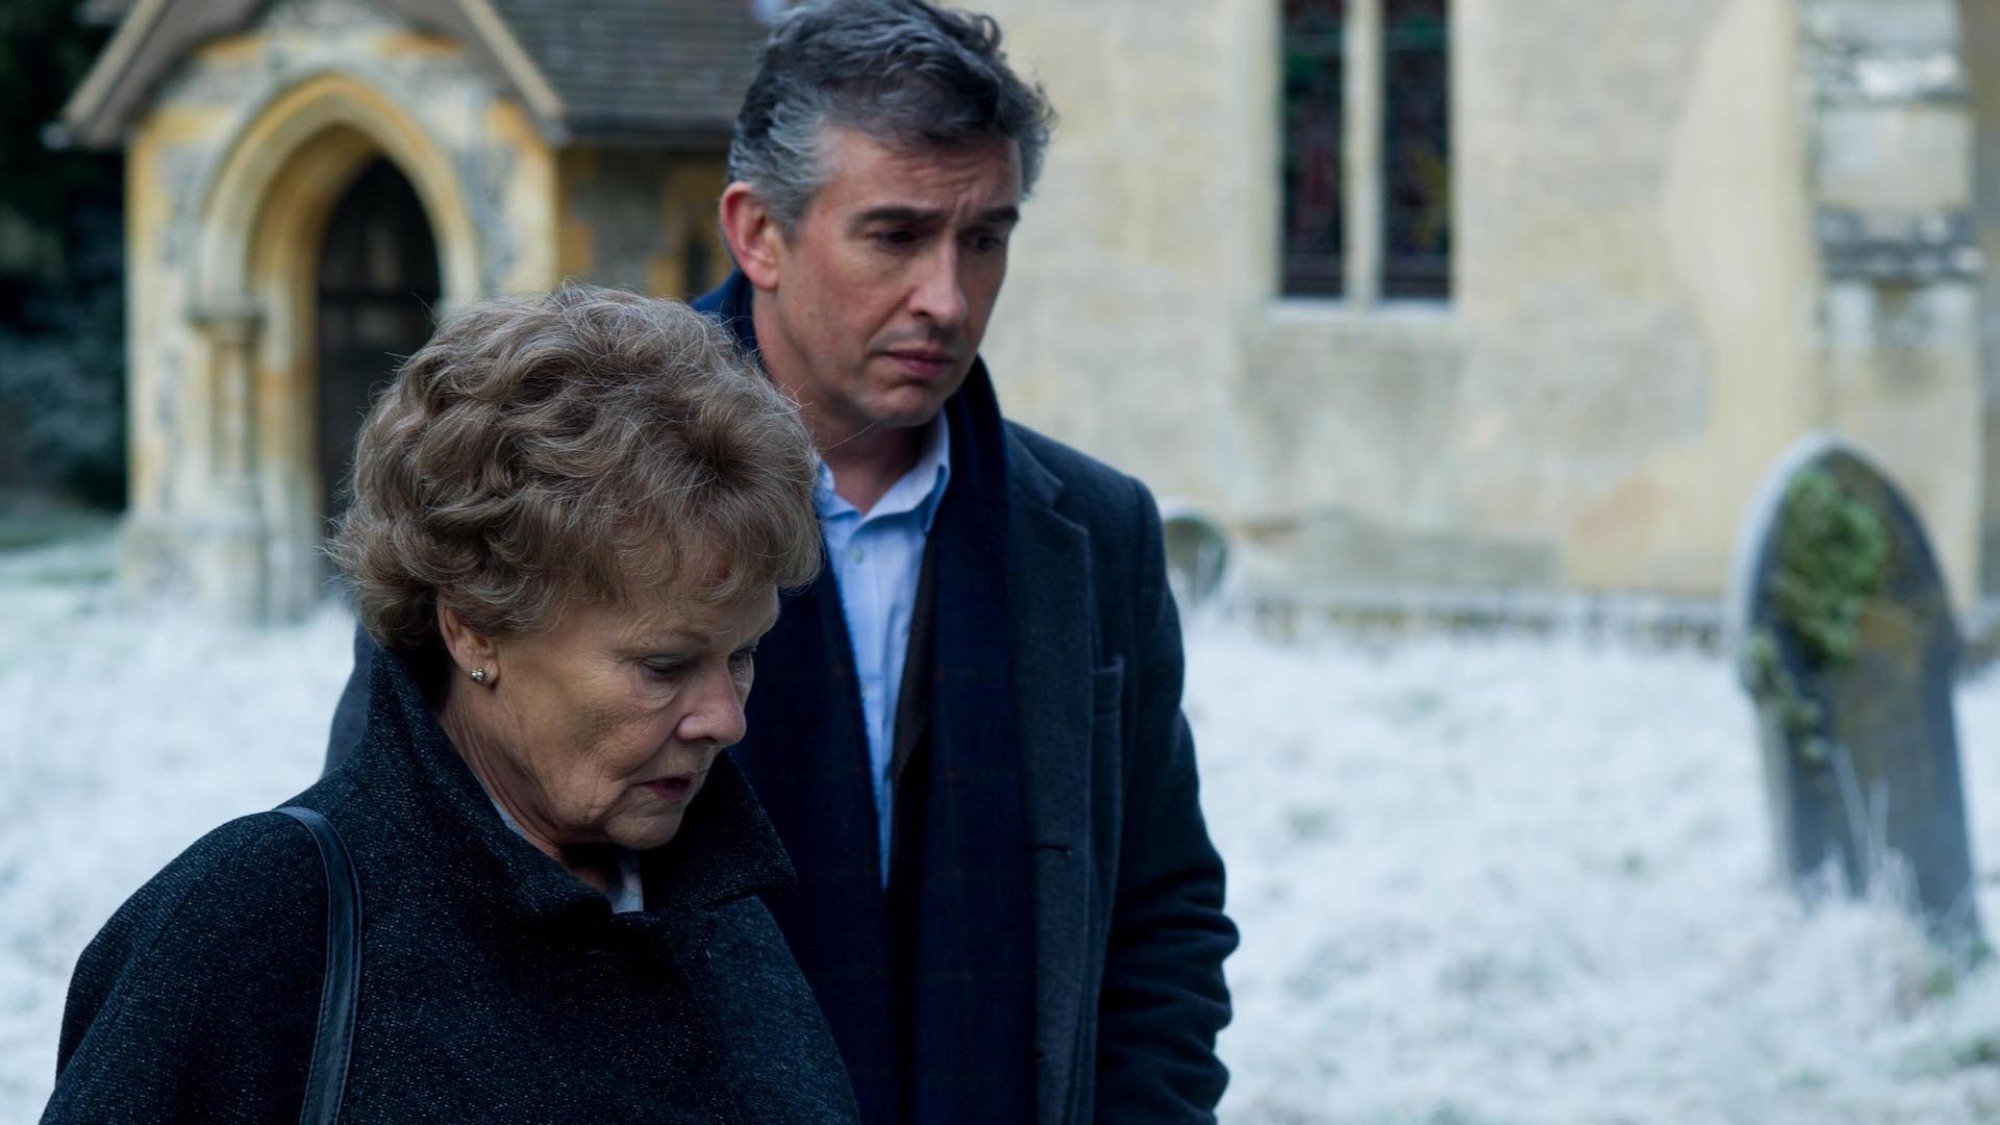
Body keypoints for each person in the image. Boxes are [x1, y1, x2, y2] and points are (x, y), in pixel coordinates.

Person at [328, 2, 1238, 1121]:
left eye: (984, 238)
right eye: (895, 235)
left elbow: (1161, 916)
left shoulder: (1095, 535)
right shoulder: (551, 484)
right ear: (756, 232)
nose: (946, 299)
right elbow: (395, 889)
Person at [48, 288, 860, 1123]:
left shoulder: (725, 914)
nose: (726, 718)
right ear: (472, 629)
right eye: (664, 665)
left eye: (743, 655)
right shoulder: (246, 932)